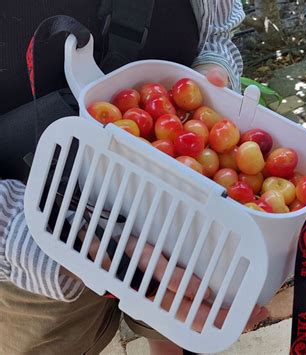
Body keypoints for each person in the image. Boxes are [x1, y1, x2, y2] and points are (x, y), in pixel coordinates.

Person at [0, 1, 268, 354]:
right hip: (28, 252)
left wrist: (211, 72)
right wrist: (35, 234)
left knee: (176, 324)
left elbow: (215, 29)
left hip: (175, 209)